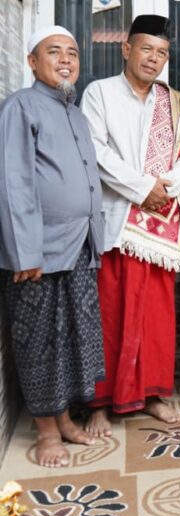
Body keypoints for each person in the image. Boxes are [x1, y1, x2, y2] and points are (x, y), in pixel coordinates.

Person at [81, 15, 180, 434]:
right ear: (126, 49)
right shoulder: (100, 93)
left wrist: (168, 186)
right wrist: (143, 186)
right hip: (117, 221)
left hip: (158, 224)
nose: (154, 59)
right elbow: (95, 150)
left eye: (162, 53)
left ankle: (153, 394)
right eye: (146, 49)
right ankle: (101, 403)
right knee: (109, 313)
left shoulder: (175, 102)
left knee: (157, 316)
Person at [0, 26, 105, 467]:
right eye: (54, 52)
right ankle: (45, 432)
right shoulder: (20, 107)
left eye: (72, 53)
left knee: (71, 338)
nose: (65, 59)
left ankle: (62, 417)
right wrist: (25, 251)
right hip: (38, 252)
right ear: (32, 61)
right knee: (38, 341)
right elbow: (14, 182)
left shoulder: (75, 112)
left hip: (78, 245)